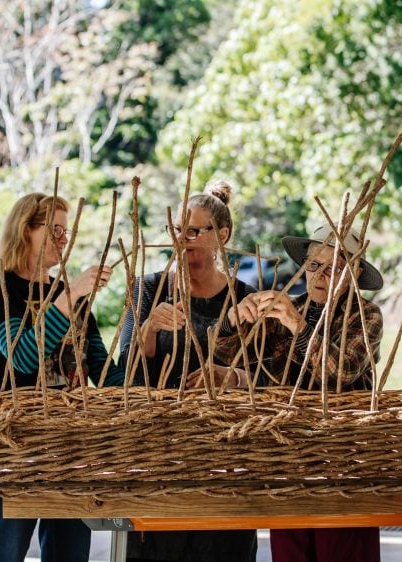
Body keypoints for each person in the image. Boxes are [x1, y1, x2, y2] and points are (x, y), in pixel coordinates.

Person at [214, 223, 384, 562]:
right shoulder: (286, 310)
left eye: (332, 267)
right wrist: (235, 321)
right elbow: (231, 355)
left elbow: (343, 370)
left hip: (343, 463)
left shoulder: (365, 316)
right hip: (288, 459)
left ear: (355, 272)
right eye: (313, 265)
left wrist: (299, 326)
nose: (319, 275)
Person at [0, 193, 126, 562]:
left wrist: (143, 348)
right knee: (5, 554)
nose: (64, 239)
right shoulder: (0, 290)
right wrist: (69, 294)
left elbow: (101, 368)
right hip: (15, 445)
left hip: (72, 446)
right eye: (55, 230)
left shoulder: (71, 294)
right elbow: (22, 358)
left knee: (70, 555)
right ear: (25, 230)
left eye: (66, 230)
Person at [117, 180, 258, 562]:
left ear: (223, 236)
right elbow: (121, 373)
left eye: (194, 230)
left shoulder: (245, 298)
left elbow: (267, 380)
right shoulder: (148, 289)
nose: (182, 238)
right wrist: (148, 332)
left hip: (226, 455)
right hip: (159, 454)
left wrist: (232, 378)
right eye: (176, 229)